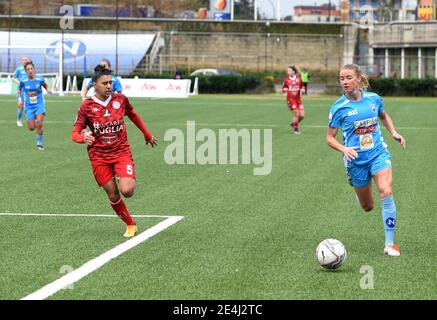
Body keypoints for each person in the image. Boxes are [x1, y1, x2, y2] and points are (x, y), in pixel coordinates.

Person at [326, 64, 406, 257]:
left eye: (348, 78)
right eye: (341, 78)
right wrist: (343, 148)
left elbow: (384, 116)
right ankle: (358, 188)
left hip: (378, 153)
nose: (344, 82)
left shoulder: (373, 99)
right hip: (356, 161)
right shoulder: (339, 107)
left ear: (359, 78)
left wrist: (393, 132)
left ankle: (389, 244)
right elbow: (329, 138)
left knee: (386, 191)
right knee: (368, 206)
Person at [71, 65, 158, 238]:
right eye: (105, 83)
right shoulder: (86, 107)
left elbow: (133, 114)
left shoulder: (120, 100)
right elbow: (74, 133)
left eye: (111, 82)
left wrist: (147, 134)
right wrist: (83, 138)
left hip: (121, 153)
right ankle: (130, 224)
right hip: (99, 158)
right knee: (113, 193)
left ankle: (123, 174)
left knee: (127, 191)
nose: (109, 86)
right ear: (94, 85)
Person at [17, 62, 53, 150]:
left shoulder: (39, 79)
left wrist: (48, 90)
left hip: (39, 104)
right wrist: (20, 99)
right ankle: (35, 123)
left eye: (31, 69)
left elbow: (45, 85)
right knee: (31, 128)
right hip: (29, 105)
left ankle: (39, 143)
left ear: (34, 69)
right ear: (26, 71)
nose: (30, 71)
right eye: (28, 69)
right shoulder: (23, 81)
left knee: (39, 123)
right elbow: (19, 89)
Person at [282, 66, 305, 134]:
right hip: (290, 100)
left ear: (293, 72)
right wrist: (284, 90)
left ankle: (294, 123)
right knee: (297, 114)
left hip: (298, 100)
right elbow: (283, 88)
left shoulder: (299, 79)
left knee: (302, 116)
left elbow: (302, 86)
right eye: (287, 70)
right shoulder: (286, 80)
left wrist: (303, 90)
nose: (288, 72)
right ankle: (296, 129)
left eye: (289, 70)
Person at [11, 56, 31, 126]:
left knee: (30, 105)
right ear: (21, 61)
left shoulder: (30, 68)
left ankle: (30, 120)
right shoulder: (19, 69)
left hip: (29, 90)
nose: (24, 61)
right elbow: (13, 77)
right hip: (21, 90)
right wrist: (18, 82)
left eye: (26, 60)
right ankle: (18, 120)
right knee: (20, 105)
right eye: (23, 60)